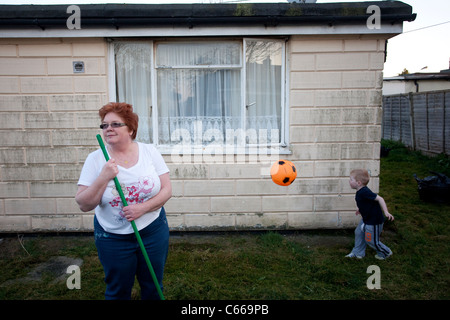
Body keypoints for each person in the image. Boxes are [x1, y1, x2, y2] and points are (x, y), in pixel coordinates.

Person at [75, 102, 172, 299]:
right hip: (113, 236)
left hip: (152, 230)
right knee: (117, 291)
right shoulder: (95, 160)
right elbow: (84, 204)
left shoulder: (149, 152)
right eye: (104, 125)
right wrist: (104, 176)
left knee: (153, 286)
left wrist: (142, 209)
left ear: (131, 129)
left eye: (115, 124)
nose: (108, 128)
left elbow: (167, 190)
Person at [345, 169, 394, 260]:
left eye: (351, 179)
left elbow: (380, 199)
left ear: (358, 183)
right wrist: (360, 209)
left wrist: (386, 212)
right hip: (366, 218)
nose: (349, 181)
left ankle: (385, 252)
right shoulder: (360, 191)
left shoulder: (364, 191)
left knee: (371, 241)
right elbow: (365, 202)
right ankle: (358, 253)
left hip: (374, 221)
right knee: (359, 232)